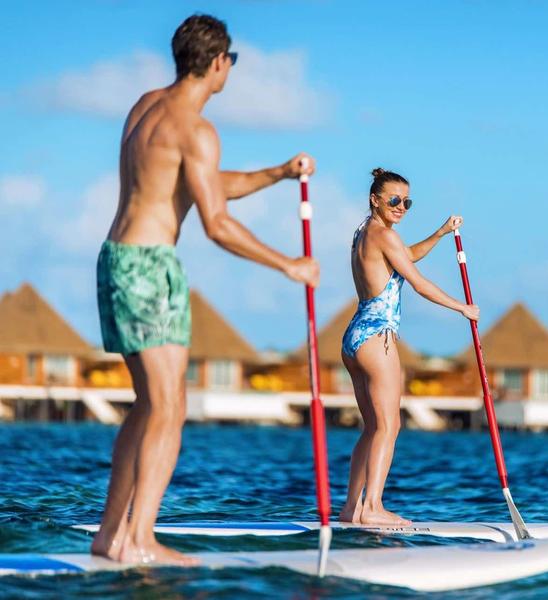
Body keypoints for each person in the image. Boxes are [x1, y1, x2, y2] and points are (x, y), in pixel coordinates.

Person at [91, 14, 319, 565]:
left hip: (115, 261)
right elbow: (216, 223)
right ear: (218, 62)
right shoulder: (197, 130)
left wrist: (278, 173)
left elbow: (205, 184)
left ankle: (111, 536)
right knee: (170, 406)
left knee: (149, 405)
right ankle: (139, 540)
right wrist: (288, 265)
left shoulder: (146, 107)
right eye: (231, 61)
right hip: (150, 268)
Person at [338, 168, 479, 526]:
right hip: (377, 338)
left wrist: (441, 233)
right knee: (389, 426)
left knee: (372, 427)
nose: (401, 206)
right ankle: (373, 507)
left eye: (407, 202)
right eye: (394, 200)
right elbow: (418, 283)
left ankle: (352, 508)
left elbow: (407, 256)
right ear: (375, 199)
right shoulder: (384, 235)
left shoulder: (365, 232)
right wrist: (462, 308)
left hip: (354, 336)